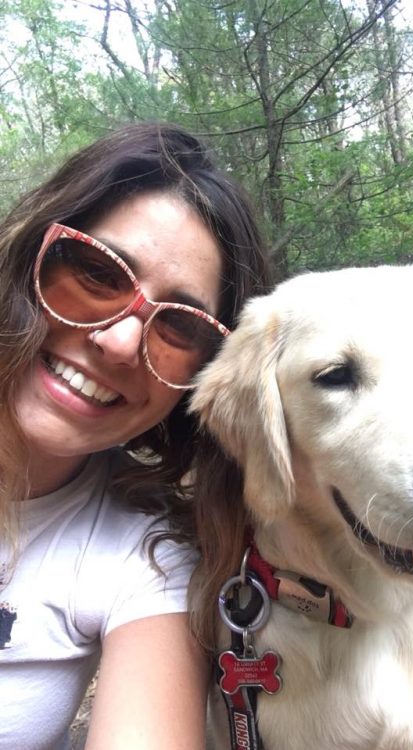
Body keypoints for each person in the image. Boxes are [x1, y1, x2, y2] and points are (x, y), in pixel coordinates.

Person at [0, 121, 271, 750]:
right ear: (27, 259)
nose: (120, 342)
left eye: (182, 328)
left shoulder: (145, 560)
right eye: (96, 271)